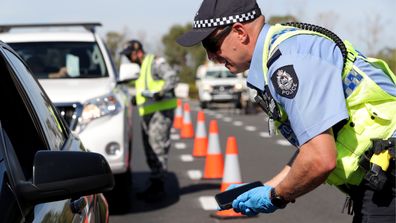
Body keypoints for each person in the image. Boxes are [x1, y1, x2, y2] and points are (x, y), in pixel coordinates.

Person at [176, 0, 396, 222]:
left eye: (211, 45)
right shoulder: (284, 49)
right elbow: (313, 142)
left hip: (388, 177)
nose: (211, 57)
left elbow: (320, 158)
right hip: (381, 174)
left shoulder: (288, 63)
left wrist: (275, 196)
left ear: (240, 32)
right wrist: (267, 187)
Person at [120, 40, 178, 202]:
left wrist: (161, 92)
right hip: (148, 113)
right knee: (150, 150)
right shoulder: (142, 67)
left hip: (160, 112)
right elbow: (143, 89)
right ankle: (155, 183)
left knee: (158, 149)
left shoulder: (155, 62)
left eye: (129, 55)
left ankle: (158, 188)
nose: (129, 59)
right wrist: (135, 99)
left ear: (138, 52)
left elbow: (171, 78)